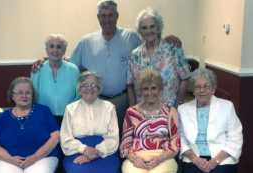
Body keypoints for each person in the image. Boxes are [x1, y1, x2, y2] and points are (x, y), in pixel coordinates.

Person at [31, 0, 182, 137]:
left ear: (117, 16)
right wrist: (46, 58)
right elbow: (67, 62)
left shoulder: (131, 37)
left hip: (123, 99)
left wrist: (167, 38)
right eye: (103, 16)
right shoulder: (87, 41)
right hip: (96, 100)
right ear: (98, 17)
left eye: (110, 15)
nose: (107, 19)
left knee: (126, 135)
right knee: (99, 135)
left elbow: (151, 42)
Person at [0, 77, 60, 173]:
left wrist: (35, 157)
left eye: (28, 92)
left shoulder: (43, 111)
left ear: (33, 95)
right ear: (12, 96)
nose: (24, 95)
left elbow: (55, 137)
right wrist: (10, 159)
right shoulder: (3, 117)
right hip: (10, 160)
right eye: (19, 92)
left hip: (42, 158)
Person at [178, 68, 243, 173]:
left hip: (222, 158)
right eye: (198, 87)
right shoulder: (183, 109)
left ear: (213, 89)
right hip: (194, 158)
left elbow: (235, 137)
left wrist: (216, 160)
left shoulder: (227, 106)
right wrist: (195, 159)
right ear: (193, 90)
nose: (202, 90)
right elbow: (180, 139)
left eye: (207, 86)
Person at [127, 7, 191, 110]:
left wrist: (177, 106)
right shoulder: (134, 55)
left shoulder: (173, 50)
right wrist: (133, 111)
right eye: (144, 28)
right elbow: (130, 85)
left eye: (152, 26)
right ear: (140, 31)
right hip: (143, 113)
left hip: (169, 111)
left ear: (158, 28)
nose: (148, 31)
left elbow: (185, 79)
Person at [120, 70, 180, 173]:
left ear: (160, 89)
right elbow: (125, 144)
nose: (150, 93)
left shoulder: (170, 111)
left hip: (163, 157)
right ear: (141, 91)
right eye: (145, 89)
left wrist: (161, 158)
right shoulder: (131, 112)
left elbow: (175, 144)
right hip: (137, 156)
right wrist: (134, 158)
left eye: (153, 88)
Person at [60, 71, 120, 173]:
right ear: (79, 89)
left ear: (99, 89)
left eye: (93, 85)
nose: (89, 88)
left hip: (106, 152)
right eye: (85, 85)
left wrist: (95, 153)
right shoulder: (70, 108)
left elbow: (113, 137)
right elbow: (65, 138)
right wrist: (84, 149)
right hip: (76, 151)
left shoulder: (109, 107)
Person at [31, 34, 80, 128]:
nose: (55, 50)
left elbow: (79, 96)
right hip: (44, 119)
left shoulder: (73, 70)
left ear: (64, 50)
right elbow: (32, 97)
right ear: (46, 50)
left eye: (59, 47)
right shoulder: (38, 69)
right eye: (51, 46)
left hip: (69, 119)